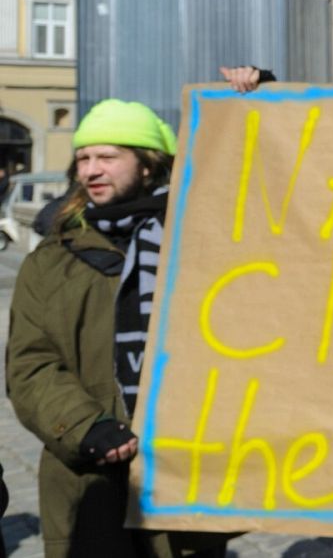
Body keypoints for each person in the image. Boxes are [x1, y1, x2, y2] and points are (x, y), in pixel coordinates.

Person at [6, 99, 229, 558]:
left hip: (184, 475)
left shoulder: (202, 242)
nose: (91, 169)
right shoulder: (51, 260)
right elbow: (29, 363)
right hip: (89, 478)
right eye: (84, 158)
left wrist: (257, 101)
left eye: (108, 157)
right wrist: (87, 427)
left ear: (148, 166)